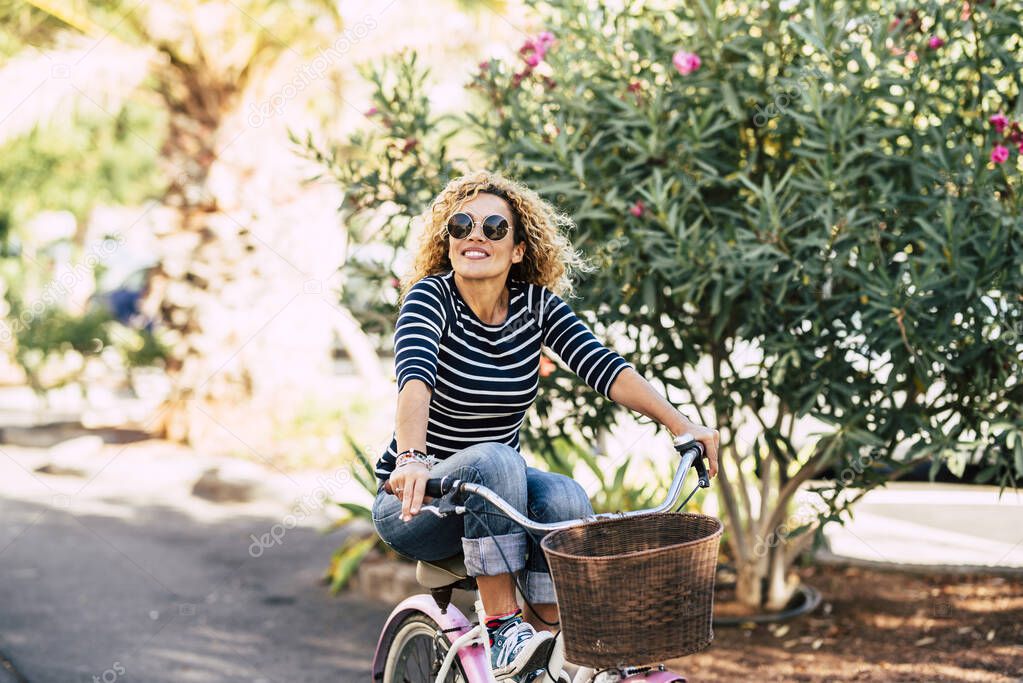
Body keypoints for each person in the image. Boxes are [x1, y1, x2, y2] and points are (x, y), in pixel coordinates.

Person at [371, 170, 720, 681]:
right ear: (447, 242)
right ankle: (501, 627)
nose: (476, 234)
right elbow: (415, 379)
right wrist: (411, 458)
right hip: (417, 500)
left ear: (517, 250)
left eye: (494, 228)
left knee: (563, 496)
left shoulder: (535, 308)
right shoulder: (430, 300)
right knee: (496, 458)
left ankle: (550, 654)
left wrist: (681, 424)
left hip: (494, 494)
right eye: (462, 224)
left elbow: (603, 365)